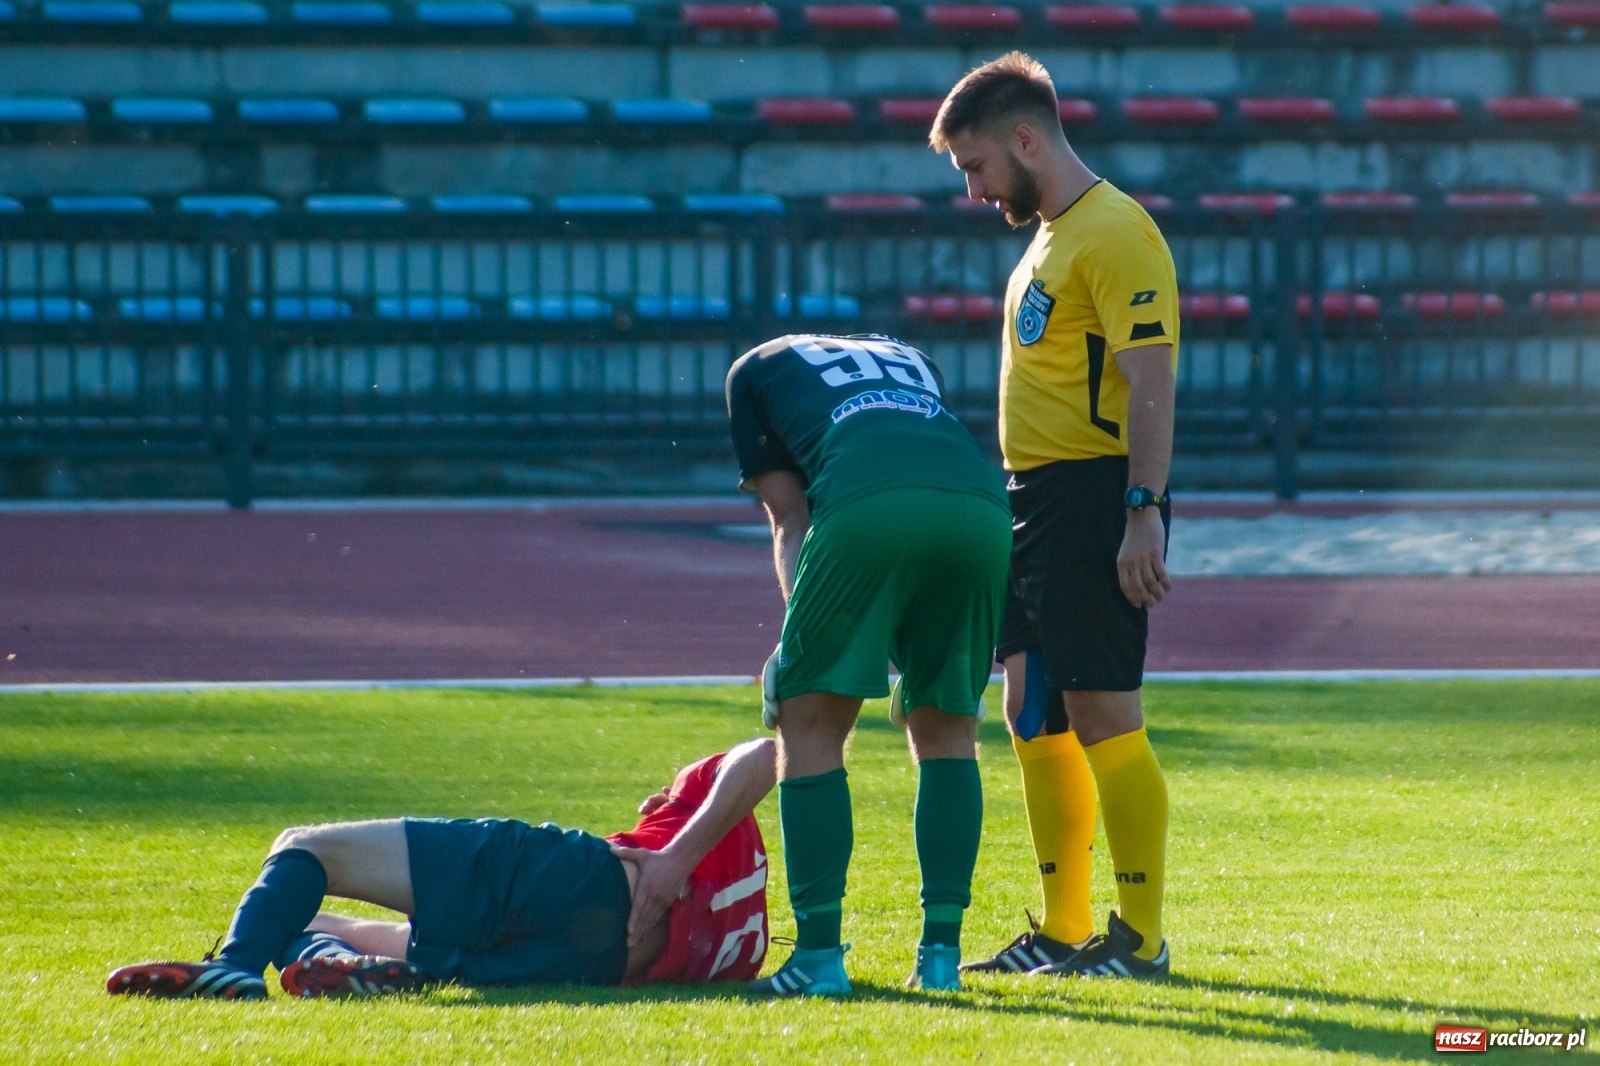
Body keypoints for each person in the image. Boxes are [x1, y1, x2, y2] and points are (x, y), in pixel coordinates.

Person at [929, 52, 1178, 980]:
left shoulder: (1117, 232)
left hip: (1093, 491)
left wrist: (1142, 510)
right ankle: (1066, 927)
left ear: (1026, 139)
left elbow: (1150, 376)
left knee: (1104, 708)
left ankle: (1142, 938)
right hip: (1030, 499)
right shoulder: (1048, 237)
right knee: (1032, 711)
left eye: (977, 165)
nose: (972, 187)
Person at [727, 332, 1011, 996]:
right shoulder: (917, 358)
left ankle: (819, 959)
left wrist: (799, 642)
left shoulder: (754, 372)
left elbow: (790, 515)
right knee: (946, 727)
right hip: (981, 506)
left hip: (868, 502)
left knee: (812, 722)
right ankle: (940, 960)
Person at [107, 739, 775, 999]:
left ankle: (237, 964)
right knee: (322, 917)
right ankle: (333, 955)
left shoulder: (696, 818)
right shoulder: (749, 948)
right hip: (581, 963)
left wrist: (671, 860)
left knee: (304, 846)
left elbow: (765, 754)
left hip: (574, 881)